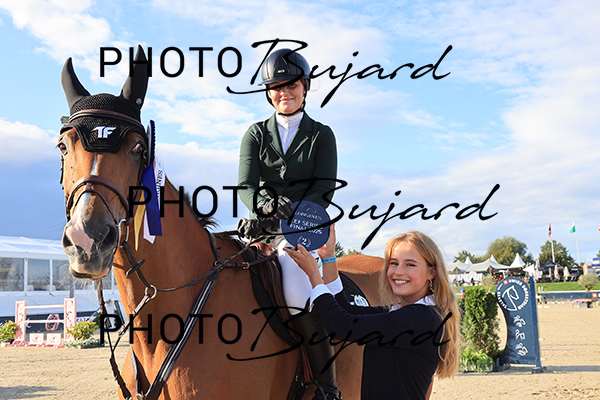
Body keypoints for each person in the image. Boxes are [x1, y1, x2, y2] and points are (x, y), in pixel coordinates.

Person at [236, 48, 341, 399]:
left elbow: (325, 187)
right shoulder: (255, 133)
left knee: (297, 294)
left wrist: (294, 211)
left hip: (302, 230)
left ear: (305, 87)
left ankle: (327, 387)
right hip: (261, 227)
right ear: (269, 92)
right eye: (277, 87)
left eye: (292, 85)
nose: (284, 92)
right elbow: (246, 185)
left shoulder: (321, 135)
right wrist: (263, 206)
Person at [284, 225, 460, 400]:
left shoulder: (419, 319)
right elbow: (348, 310)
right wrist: (329, 257)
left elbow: (340, 326)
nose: (398, 272)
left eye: (410, 265)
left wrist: (314, 275)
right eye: (394, 263)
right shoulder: (407, 312)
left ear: (431, 272)